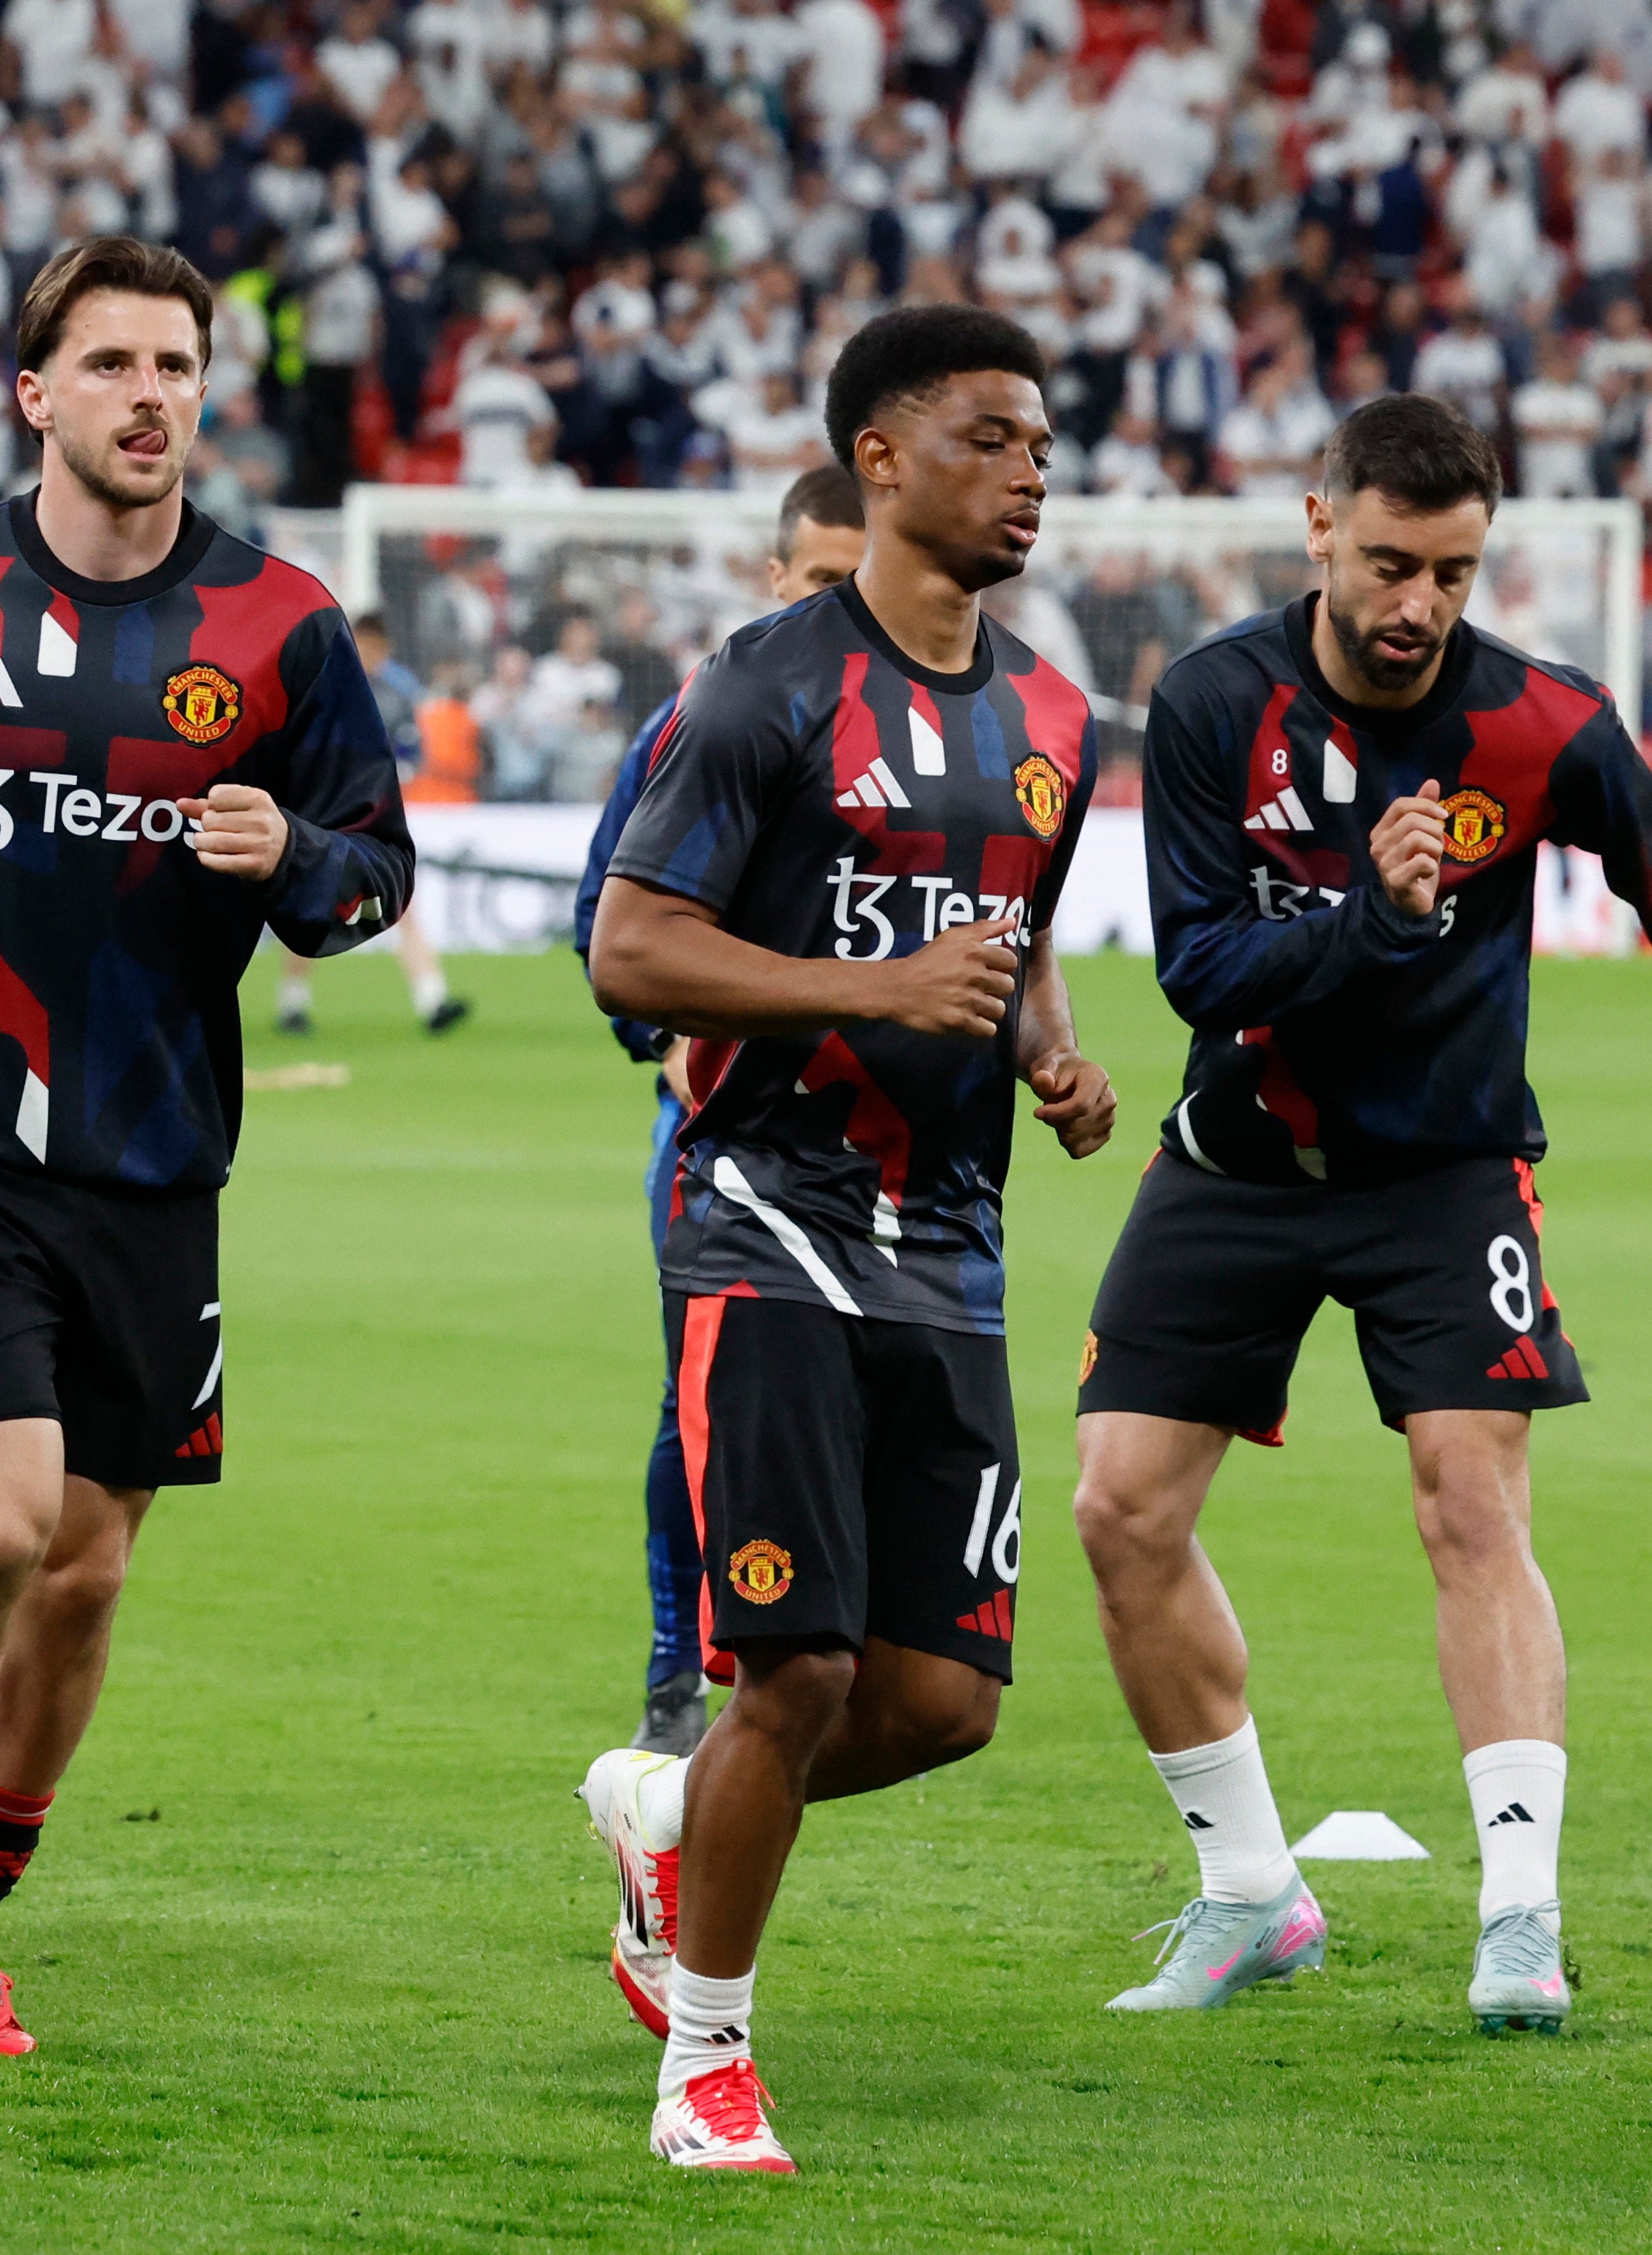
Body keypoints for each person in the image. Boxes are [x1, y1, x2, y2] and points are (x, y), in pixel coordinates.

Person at [1070, 393, 1652, 2035]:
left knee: (1467, 1506)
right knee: (1119, 1512)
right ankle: (1248, 1893)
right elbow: (1194, 964)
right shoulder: (1210, 701)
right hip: (1234, 1161)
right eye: (1393, 562)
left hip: (1445, 1169)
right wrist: (1376, 916)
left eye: (1454, 572)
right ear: (1317, 521)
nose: (1418, 604)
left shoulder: (1540, 722)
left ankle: (1517, 1919)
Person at [0, 237, 414, 2060]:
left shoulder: (280, 627)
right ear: (33, 394)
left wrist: (299, 864)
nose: (148, 397)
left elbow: (374, 878)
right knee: (0, 1523)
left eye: (176, 366)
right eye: (109, 363)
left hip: (158, 1160)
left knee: (91, 1568)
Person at [580, 306, 1116, 2174]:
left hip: (949, 1248)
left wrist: (1049, 1049)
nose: (1028, 470)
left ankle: (666, 1818)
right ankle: (706, 2068)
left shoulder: (1055, 714)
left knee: (943, 1702)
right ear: (878, 460)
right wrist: (867, 990)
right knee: (791, 1674)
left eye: (1041, 441)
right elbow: (630, 950)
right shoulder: (763, 688)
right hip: (765, 1223)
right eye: (988, 437)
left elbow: (1016, 926)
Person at [573, 463, 867, 1761]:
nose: (839, 608)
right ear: (774, 574)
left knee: (882, 1405)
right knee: (696, 1405)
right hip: (724, 1136)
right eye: (818, 581)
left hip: (893, 1143)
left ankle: (849, 1657)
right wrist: (671, 1037)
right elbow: (605, 912)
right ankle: (676, 1675)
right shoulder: (714, 710)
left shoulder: (943, 732)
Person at [272, 611, 467, 1038]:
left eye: (374, 647)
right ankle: (292, 1002)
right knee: (309, 902)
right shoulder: (322, 688)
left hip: (367, 817)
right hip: (319, 813)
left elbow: (413, 759)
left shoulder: (394, 699)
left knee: (399, 903)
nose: (367, 655)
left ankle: (432, 999)